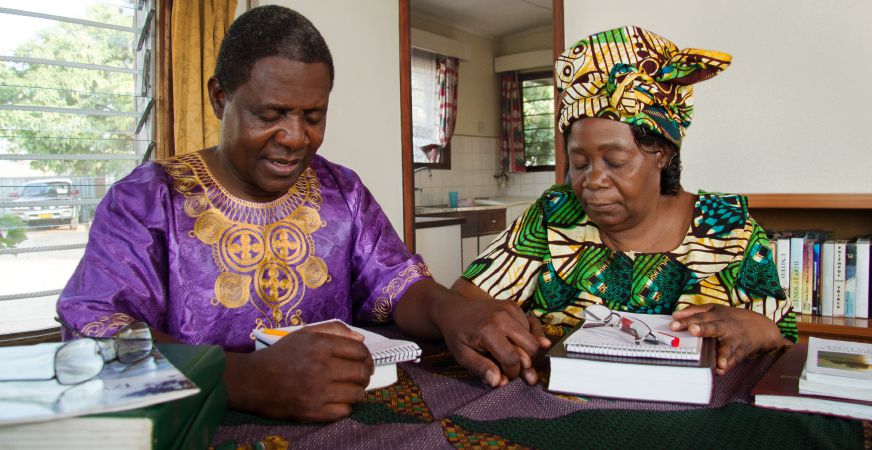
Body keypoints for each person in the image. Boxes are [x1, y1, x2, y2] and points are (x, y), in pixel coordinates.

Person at [56, 5, 548, 423]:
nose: (296, 138)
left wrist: (449, 309)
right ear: (219, 97)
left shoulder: (341, 190)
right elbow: (95, 335)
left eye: (313, 116)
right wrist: (240, 378)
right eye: (269, 115)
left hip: (340, 423)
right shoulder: (146, 201)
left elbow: (396, 284)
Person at [453, 26, 796, 376]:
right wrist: (508, 323)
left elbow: (782, 345)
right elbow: (462, 306)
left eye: (615, 162)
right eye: (580, 162)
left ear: (662, 153)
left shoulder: (730, 228)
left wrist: (761, 329)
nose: (593, 181)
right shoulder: (554, 214)